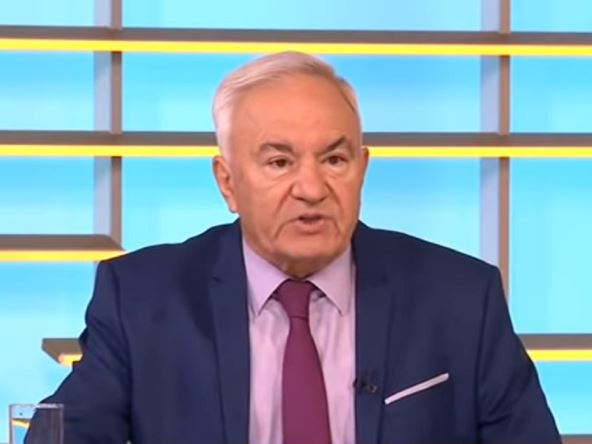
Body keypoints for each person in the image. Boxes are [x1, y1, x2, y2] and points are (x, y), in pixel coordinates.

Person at [30, 51, 560, 444]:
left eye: (334, 159)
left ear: (362, 168)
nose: (311, 188)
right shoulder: (143, 299)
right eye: (280, 162)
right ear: (227, 182)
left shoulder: (460, 299)